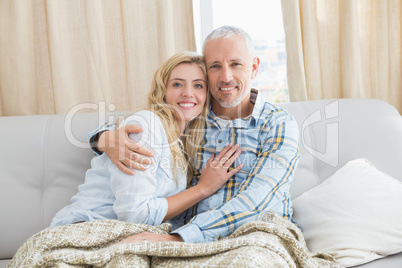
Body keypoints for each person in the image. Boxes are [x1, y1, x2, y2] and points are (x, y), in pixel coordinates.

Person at [90, 26, 301, 244]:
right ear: (206, 72)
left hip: (257, 236)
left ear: (254, 67)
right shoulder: (191, 114)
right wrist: (104, 139)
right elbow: (139, 124)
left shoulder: (278, 124)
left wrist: (176, 239)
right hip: (183, 236)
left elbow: (257, 202)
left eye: (236, 64)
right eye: (215, 66)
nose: (226, 77)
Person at [50, 51, 243, 228]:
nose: (188, 93)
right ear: (163, 91)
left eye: (198, 85)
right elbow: (135, 215)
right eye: (177, 84)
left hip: (127, 236)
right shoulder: (146, 124)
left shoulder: (183, 140)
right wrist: (203, 189)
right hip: (85, 229)